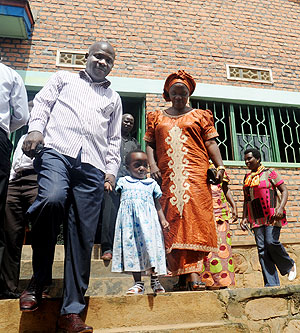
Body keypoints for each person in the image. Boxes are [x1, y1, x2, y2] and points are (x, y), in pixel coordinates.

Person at [20, 41, 122, 333]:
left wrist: (111, 172)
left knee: (81, 235)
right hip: (56, 152)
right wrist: (36, 129)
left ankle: (71, 312)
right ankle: (39, 280)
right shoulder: (62, 78)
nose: (102, 62)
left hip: (92, 166)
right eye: (98, 56)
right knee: (51, 199)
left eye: (108, 60)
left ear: (112, 65)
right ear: (87, 57)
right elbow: (42, 105)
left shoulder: (113, 97)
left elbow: (114, 139)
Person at [144, 70, 225, 291]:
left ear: (189, 94)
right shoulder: (156, 117)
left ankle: (195, 274)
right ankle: (181, 276)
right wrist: (152, 166)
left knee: (195, 220)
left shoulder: (200, 115)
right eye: (174, 93)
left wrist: (220, 166)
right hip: (168, 177)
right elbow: (150, 144)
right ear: (167, 94)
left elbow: (211, 143)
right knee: (173, 221)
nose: (178, 97)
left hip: (196, 177)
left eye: (183, 93)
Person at [111, 150, 169, 295]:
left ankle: (155, 280)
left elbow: (157, 204)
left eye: (145, 165)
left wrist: (163, 220)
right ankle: (138, 283)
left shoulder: (151, 184)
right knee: (133, 251)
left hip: (149, 224)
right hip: (130, 225)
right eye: (137, 165)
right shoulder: (123, 182)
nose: (142, 168)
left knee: (152, 249)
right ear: (127, 167)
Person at [240, 148, 296, 287]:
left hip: (272, 215)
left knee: (271, 242)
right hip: (256, 218)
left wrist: (281, 207)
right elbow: (247, 200)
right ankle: (271, 284)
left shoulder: (270, 173)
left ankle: (289, 265)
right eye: (245, 159)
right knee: (262, 249)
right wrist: (244, 217)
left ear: (258, 159)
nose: (247, 162)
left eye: (249, 159)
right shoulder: (247, 178)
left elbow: (284, 190)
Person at [0, 63, 29, 298]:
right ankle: (7, 285)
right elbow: (19, 117)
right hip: (13, 181)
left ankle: (36, 285)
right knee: (7, 229)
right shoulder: (19, 139)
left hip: (34, 181)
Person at [97, 113, 140, 261]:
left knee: (127, 217)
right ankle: (107, 248)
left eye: (131, 122)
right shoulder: (111, 140)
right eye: (125, 121)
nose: (128, 124)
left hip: (128, 184)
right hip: (112, 182)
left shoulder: (135, 144)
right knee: (109, 215)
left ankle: (126, 248)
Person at [200, 166, 237, 290]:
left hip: (221, 215)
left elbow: (225, 190)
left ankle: (224, 282)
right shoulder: (197, 168)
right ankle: (208, 283)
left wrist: (234, 207)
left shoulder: (220, 170)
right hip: (204, 216)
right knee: (208, 252)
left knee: (223, 250)